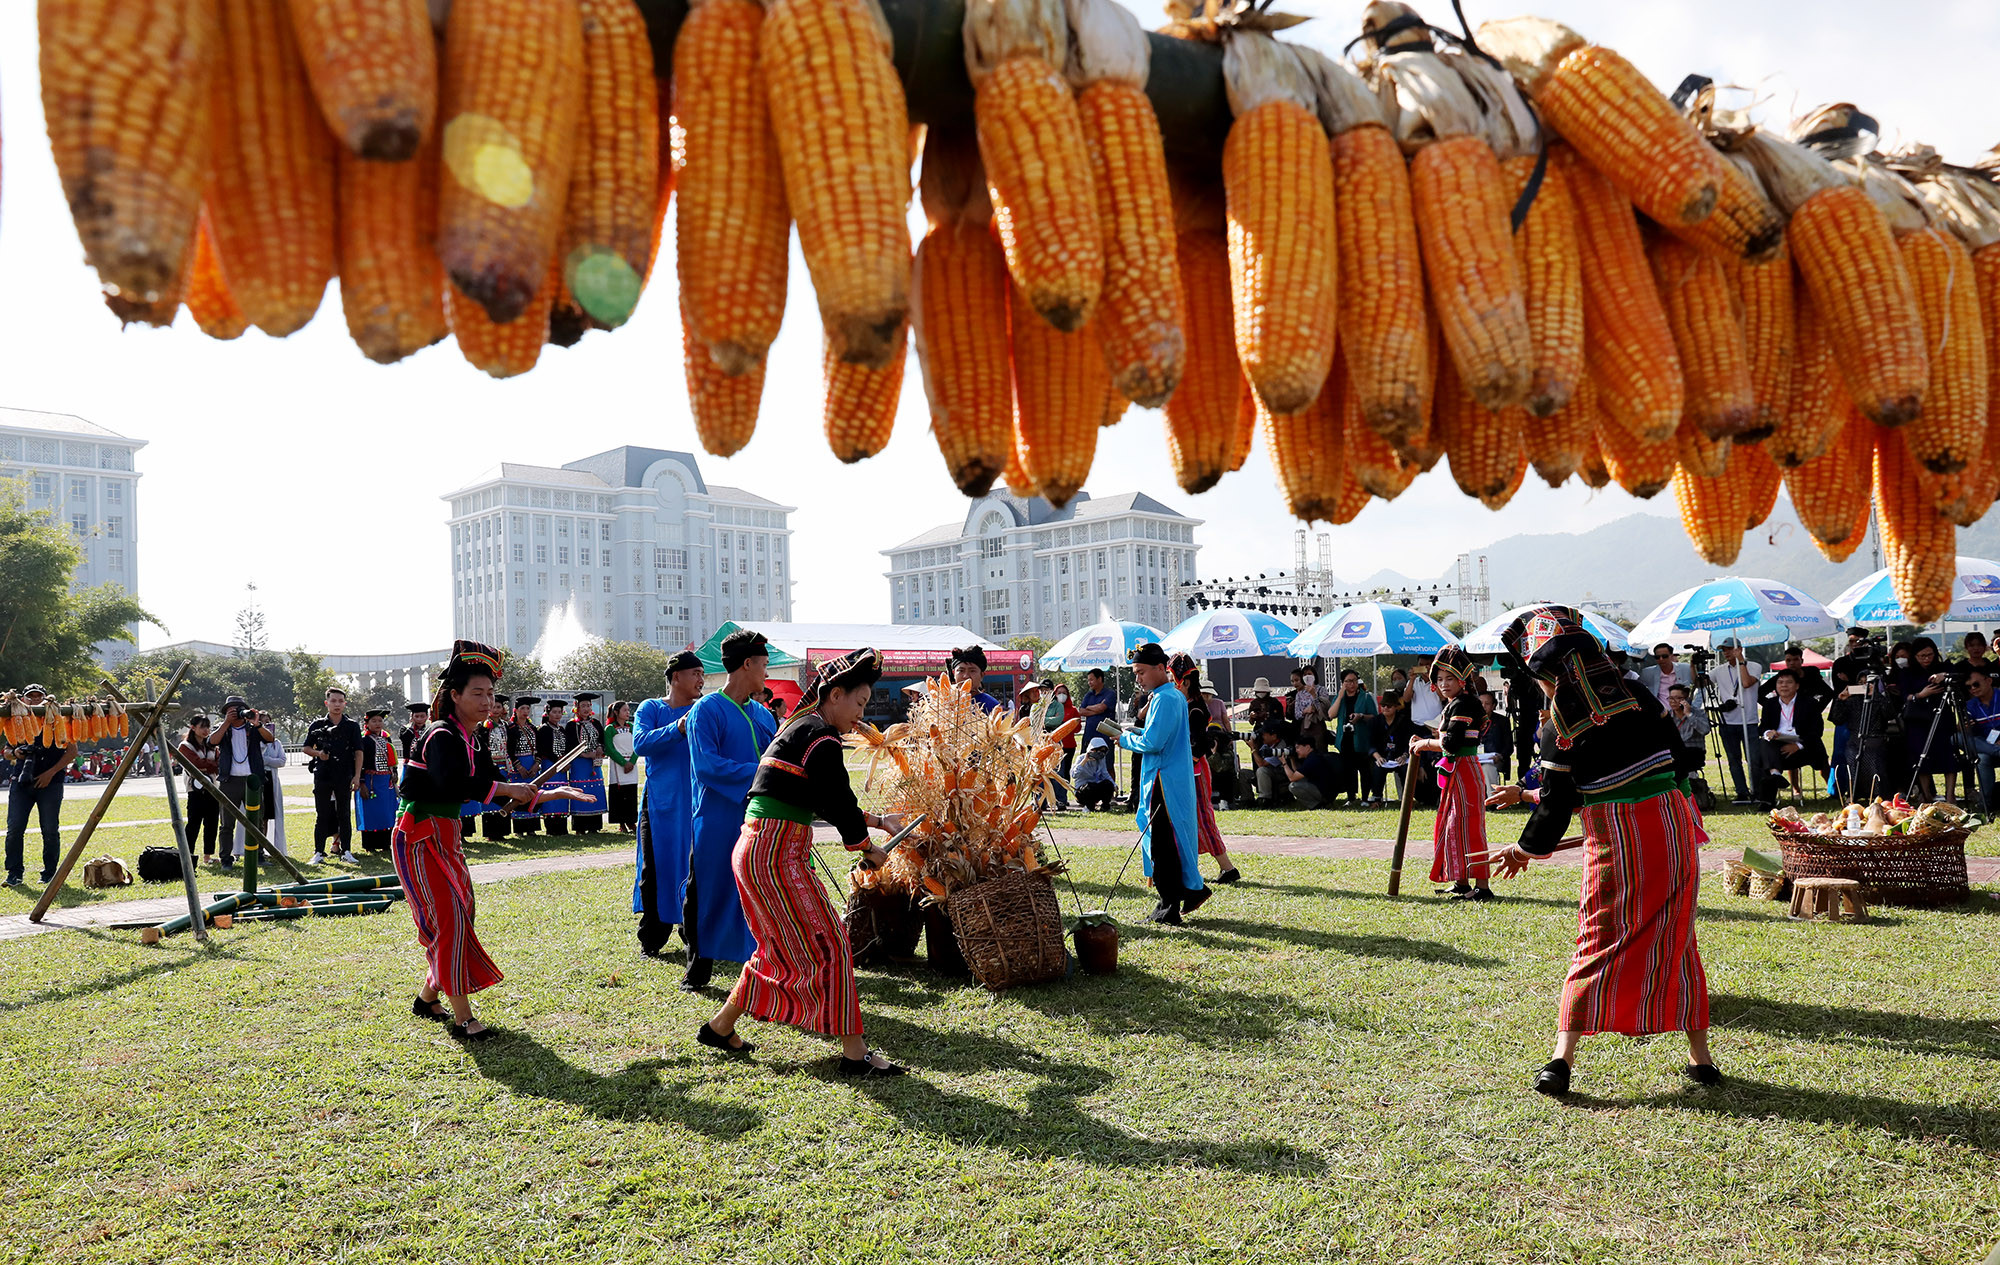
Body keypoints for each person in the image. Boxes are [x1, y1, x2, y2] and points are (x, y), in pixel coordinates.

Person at [1482, 607, 1716, 1098]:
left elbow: (1558, 804)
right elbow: (1679, 760)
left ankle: (1561, 1061)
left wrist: (1523, 850)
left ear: (1546, 672)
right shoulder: (1638, 694)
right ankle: (1701, 1061)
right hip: (1672, 827)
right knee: (1677, 937)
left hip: (1617, 838)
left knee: (1598, 939)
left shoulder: (1560, 724)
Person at [698, 647, 908, 1075]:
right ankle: (855, 1054)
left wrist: (878, 821)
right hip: (775, 853)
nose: (861, 715)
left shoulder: (802, 728)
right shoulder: (822, 737)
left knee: (777, 946)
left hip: (759, 847)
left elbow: (816, 798)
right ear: (835, 695)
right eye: (859, 702)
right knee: (831, 942)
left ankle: (720, 1027)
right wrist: (867, 847)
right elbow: (837, 799)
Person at [394, 641, 587, 1042]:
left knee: (460, 913)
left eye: (491, 694)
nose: (487, 702)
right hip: (418, 834)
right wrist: (509, 789)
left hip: (446, 834)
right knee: (449, 917)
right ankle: (463, 1018)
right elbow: (455, 784)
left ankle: (428, 997)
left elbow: (496, 790)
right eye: (478, 693)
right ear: (455, 695)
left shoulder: (474, 738)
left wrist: (547, 794)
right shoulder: (441, 734)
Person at [683, 629, 779, 989]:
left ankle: (761, 964)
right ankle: (698, 968)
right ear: (747, 664)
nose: (767, 673)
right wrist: (762, 773)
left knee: (757, 889)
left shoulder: (763, 715)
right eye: (764, 665)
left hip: (757, 816)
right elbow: (708, 766)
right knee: (706, 890)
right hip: (716, 818)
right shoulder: (706, 711)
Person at [1118, 642, 1209, 925]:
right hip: (1167, 780)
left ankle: (1169, 906)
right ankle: (1187, 892)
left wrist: (1124, 739)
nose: (1138, 678)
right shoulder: (1170, 696)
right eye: (1135, 673)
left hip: (1164, 782)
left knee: (1163, 845)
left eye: (1141, 672)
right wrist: (1134, 733)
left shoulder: (1165, 699)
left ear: (1160, 668)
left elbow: (1153, 742)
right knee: (1172, 841)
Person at [632, 651, 706, 957]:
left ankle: (693, 934)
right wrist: (677, 728)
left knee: (695, 868)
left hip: (696, 802)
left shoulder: (703, 709)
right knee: (654, 868)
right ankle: (652, 938)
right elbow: (641, 743)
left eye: (702, 674)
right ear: (676, 677)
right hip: (659, 803)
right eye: (695, 673)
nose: (701, 680)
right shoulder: (651, 708)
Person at [1413, 647, 1490, 901]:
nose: (1444, 684)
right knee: (1453, 825)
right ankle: (1461, 883)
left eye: (1449, 678)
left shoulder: (1464, 703)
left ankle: (1482, 887)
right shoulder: (1455, 704)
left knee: (1469, 826)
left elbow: (1451, 744)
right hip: (1457, 771)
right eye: (1439, 679)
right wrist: (1425, 741)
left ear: (1462, 680)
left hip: (1465, 770)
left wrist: (1425, 744)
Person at [1171, 654, 1239, 883]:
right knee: (1189, 819)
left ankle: (1228, 868)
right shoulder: (1189, 705)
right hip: (1188, 769)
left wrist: (1186, 762)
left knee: (1202, 817)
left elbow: (1200, 744)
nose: (1172, 685)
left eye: (1173, 680)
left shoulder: (1195, 709)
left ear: (1185, 681)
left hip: (1195, 770)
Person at [5, 685, 78, 886]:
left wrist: (50, 773)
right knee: (15, 828)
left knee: (50, 829)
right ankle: (14, 873)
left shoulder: (57, 719)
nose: (35, 699)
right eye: (31, 697)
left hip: (50, 783)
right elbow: (7, 751)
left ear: (46, 699)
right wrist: (15, 753)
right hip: (21, 782)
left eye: (39, 696)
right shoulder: (18, 720)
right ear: (24, 699)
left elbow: (72, 751)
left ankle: (49, 873)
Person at [302, 687, 364, 864]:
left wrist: (357, 776)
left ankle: (346, 851)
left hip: (344, 774)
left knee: (344, 813)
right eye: (333, 701)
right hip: (323, 774)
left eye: (340, 701)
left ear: (345, 704)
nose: (337, 704)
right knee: (322, 814)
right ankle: (318, 852)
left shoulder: (352, 725)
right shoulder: (317, 725)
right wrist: (319, 754)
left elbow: (359, 751)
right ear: (326, 703)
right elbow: (306, 747)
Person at [214, 696, 276, 871]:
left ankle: (258, 855)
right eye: (231, 710)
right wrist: (226, 722)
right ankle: (226, 859)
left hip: (252, 780)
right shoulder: (223, 728)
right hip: (229, 781)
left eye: (239, 709)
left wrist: (257, 723)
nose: (236, 713)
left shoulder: (253, 728)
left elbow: (270, 738)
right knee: (227, 824)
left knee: (256, 821)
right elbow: (212, 741)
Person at [1896, 637, 1960, 803]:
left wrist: (1944, 676)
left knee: (1948, 756)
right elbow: (1904, 696)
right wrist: (1921, 694)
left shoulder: (1944, 667)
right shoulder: (1907, 672)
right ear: (1914, 656)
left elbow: (1960, 677)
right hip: (1918, 719)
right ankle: (1926, 795)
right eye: (1922, 656)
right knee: (1920, 757)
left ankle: (1950, 795)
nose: (1926, 659)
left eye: (1930, 655)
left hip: (1942, 717)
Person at [1758, 668, 1828, 804]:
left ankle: (1768, 796)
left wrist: (1797, 745)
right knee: (1764, 744)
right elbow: (1762, 727)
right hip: (1778, 744)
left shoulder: (1809, 703)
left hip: (1804, 746)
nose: (1784, 685)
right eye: (1780, 682)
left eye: (1788, 682)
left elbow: (1816, 731)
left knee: (1766, 756)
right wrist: (1768, 732)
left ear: (1797, 686)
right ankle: (1775, 776)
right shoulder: (1770, 704)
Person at [1706, 639, 1763, 804]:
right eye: (1724, 650)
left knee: (1753, 759)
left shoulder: (1754, 666)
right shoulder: (1719, 670)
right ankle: (1741, 792)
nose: (1726, 653)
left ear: (1739, 649)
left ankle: (1757, 791)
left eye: (1730, 649)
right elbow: (1700, 683)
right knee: (1733, 760)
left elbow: (1746, 683)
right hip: (1727, 722)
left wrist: (1741, 661)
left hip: (1749, 721)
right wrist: (1694, 666)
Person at [229, 710, 289, 865]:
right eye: (262, 721)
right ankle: (241, 849)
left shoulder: (275, 742)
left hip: (271, 780)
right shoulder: (251, 739)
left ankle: (264, 847)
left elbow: (282, 761)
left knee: (266, 816)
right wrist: (265, 760)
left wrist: (266, 760)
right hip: (254, 780)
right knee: (249, 815)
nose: (266, 724)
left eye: (268, 722)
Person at [1328, 669, 1381, 806]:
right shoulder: (1341, 698)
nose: (1351, 684)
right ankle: (1351, 797)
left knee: (1364, 769)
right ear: (1343, 683)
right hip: (1345, 738)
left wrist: (1361, 716)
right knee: (1348, 769)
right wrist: (1340, 696)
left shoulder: (1366, 697)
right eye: (1348, 681)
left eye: (1354, 681)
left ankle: (1365, 798)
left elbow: (1374, 717)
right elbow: (1331, 714)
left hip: (1361, 739)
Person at [178, 715, 222, 865]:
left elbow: (219, 764)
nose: (206, 730)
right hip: (195, 791)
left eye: (208, 727)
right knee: (193, 824)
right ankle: (187, 856)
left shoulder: (212, 746)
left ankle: (207, 856)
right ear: (193, 727)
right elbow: (195, 763)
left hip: (213, 789)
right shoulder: (185, 746)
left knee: (212, 823)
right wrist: (209, 765)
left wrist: (207, 765)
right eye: (202, 726)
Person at [355, 708, 399, 853]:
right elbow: (360, 762)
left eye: (380, 721)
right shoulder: (363, 741)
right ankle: (370, 845)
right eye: (374, 721)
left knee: (387, 812)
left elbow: (392, 759)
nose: (378, 723)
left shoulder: (386, 739)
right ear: (367, 724)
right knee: (371, 812)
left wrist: (394, 772)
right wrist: (362, 783)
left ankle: (385, 843)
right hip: (370, 781)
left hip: (385, 781)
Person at [565, 692, 609, 834]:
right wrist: (585, 754)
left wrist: (600, 748)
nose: (586, 709)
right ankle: (580, 827)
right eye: (583, 706)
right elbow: (570, 745)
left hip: (594, 763)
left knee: (595, 789)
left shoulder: (596, 723)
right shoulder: (572, 725)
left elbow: (602, 739)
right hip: (580, 763)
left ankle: (594, 826)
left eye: (588, 705)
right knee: (580, 790)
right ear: (577, 708)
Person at [1957, 667, 2000, 811]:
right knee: (1958, 738)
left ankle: (1985, 804)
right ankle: (1985, 805)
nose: (1973, 689)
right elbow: (1967, 733)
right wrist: (1964, 727)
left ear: (1989, 681)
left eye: (1976, 684)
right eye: (1969, 687)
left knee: (1982, 757)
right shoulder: (1970, 705)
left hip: (1991, 746)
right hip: (1986, 746)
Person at [477, 694, 513, 841]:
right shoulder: (483, 726)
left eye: (499, 707)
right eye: (493, 707)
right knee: (491, 797)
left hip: (504, 764)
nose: (496, 710)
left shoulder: (506, 726)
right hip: (489, 766)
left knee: (504, 796)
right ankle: (491, 833)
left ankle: (502, 831)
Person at [505, 696, 542, 836]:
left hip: (531, 765)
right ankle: (519, 829)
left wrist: (536, 764)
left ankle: (532, 828)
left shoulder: (532, 728)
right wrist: (519, 767)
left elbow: (539, 748)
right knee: (519, 795)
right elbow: (509, 749)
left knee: (532, 793)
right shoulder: (511, 728)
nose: (525, 711)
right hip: (518, 766)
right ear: (516, 710)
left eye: (527, 708)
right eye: (522, 708)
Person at [1041, 681, 1080, 811]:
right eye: (1042, 690)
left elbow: (1058, 721)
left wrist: (1043, 720)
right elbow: (1035, 720)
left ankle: (1061, 800)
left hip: (1062, 745)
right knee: (1042, 772)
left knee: (1061, 772)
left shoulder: (1060, 706)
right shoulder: (1037, 706)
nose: (1044, 693)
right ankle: (1042, 801)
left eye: (1047, 690)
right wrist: (1048, 720)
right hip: (1043, 742)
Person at [536, 698, 573, 835]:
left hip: (562, 767)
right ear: (548, 713)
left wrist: (566, 761)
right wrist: (558, 760)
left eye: (559, 712)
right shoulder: (544, 729)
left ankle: (562, 827)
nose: (557, 715)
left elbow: (567, 748)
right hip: (550, 766)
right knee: (550, 794)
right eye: (554, 712)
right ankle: (551, 828)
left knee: (562, 795)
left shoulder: (561, 729)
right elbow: (544, 749)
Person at [603, 700, 640, 832]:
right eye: (625, 710)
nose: (628, 712)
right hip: (618, 765)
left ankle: (631, 821)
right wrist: (624, 763)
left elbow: (638, 744)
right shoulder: (610, 729)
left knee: (631, 793)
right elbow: (610, 749)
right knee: (618, 794)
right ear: (616, 712)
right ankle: (621, 822)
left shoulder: (632, 727)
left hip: (632, 764)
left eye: (628, 710)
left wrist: (632, 761)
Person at [1376, 692, 1414, 804]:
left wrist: (1405, 755)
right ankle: (1376, 798)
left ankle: (1407, 799)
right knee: (1377, 768)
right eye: (1383, 705)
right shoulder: (1376, 721)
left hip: (1400, 756)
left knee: (1406, 769)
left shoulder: (1405, 721)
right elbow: (1371, 743)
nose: (1385, 708)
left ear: (1396, 707)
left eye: (1389, 706)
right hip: (1382, 756)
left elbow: (1409, 742)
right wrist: (1377, 757)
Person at [1666, 684, 1710, 780]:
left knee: (1680, 763)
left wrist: (1689, 714)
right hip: (1674, 753)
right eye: (1670, 698)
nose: (1673, 701)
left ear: (1685, 700)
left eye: (1677, 698)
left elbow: (1705, 730)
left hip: (1694, 752)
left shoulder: (1698, 713)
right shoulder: (1667, 716)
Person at [1280, 736, 1337, 809]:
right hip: (1328, 792)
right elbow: (1297, 773)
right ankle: (1322, 802)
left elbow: (1292, 778)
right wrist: (1292, 759)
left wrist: (1284, 763)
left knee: (1293, 786)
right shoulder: (1314, 756)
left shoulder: (1311, 760)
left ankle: (1316, 805)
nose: (1296, 751)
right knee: (1299, 780)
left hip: (1325, 794)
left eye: (1298, 748)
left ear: (1307, 747)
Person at [1070, 736, 1118, 810]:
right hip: (1083, 790)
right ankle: (1089, 807)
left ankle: (1105, 806)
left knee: (1108, 784)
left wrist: (1114, 785)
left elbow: (1105, 774)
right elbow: (1074, 775)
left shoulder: (1101, 759)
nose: (1101, 753)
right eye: (1100, 751)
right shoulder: (1081, 758)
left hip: (1096, 788)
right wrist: (1084, 761)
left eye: (1103, 751)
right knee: (1089, 787)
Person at [1250, 720, 1291, 807]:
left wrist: (1253, 748)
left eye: (1264, 734)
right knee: (1244, 773)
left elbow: (1261, 764)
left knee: (1262, 770)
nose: (1262, 736)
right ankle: (1247, 800)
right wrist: (1255, 745)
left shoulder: (1280, 746)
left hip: (1279, 774)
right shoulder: (1268, 744)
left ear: (1274, 736)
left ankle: (1265, 799)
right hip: (1268, 773)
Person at [950, 645, 1001, 713]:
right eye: (961, 671)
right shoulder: (943, 702)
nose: (966, 676)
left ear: (982, 675)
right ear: (954, 673)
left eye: (972, 671)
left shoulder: (991, 705)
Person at [1479, 689, 1513, 791]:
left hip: (1495, 759)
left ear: (1493, 706)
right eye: (1480, 703)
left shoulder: (1502, 721)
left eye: (1487, 704)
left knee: (1487, 767)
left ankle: (1492, 798)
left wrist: (1500, 756)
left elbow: (1509, 746)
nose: (1483, 706)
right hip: (1475, 758)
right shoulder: (1471, 721)